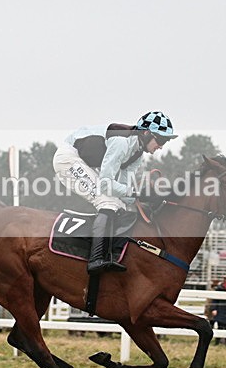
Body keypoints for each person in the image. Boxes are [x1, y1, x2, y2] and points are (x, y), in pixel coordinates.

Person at [53, 111, 177, 273]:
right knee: (107, 201)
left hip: (84, 162)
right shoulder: (121, 143)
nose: (161, 146)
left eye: (165, 141)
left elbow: (123, 191)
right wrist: (137, 193)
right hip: (68, 159)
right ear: (146, 133)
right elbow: (106, 185)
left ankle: (110, 254)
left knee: (119, 204)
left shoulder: (137, 154)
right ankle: (96, 259)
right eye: (160, 140)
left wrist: (144, 198)